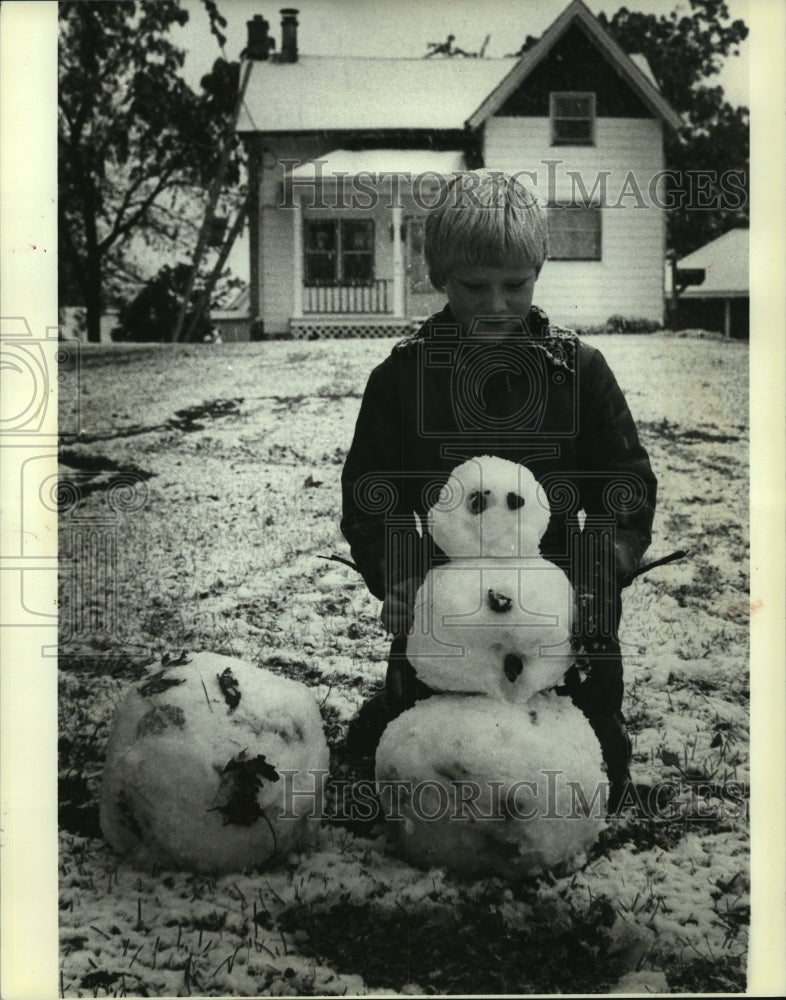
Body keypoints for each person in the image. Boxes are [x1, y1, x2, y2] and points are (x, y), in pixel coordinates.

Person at [340, 169, 657, 811]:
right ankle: (401, 709)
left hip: (562, 608)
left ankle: (592, 724)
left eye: (515, 286)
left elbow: (628, 491)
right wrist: (403, 578)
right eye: (474, 287)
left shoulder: (580, 372)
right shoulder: (400, 380)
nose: (496, 306)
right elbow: (371, 500)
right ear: (438, 276)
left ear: (538, 269)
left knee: (587, 787)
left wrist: (597, 581)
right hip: (446, 608)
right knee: (431, 782)